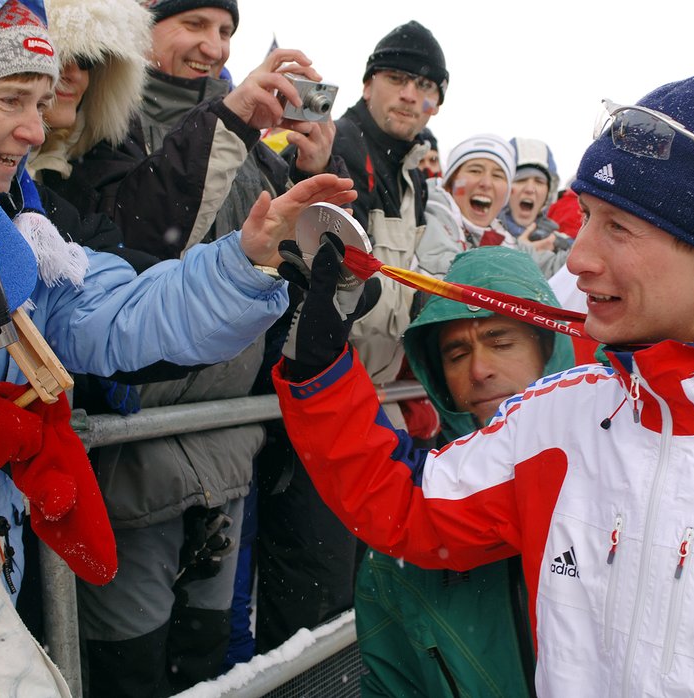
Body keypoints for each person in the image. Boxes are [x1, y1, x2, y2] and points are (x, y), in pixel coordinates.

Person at [272, 65, 694, 696]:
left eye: (618, 228)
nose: (579, 257)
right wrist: (319, 373)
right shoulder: (555, 420)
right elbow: (410, 514)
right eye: (585, 216)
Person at [0, 1, 354, 692]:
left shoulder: (23, 230)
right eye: (10, 97)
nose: (33, 128)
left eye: (40, 102)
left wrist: (246, 259)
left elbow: (122, 311)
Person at [253, 19, 450, 654]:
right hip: (312, 409)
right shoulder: (332, 151)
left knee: (354, 598)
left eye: (427, 86)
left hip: (366, 411)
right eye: (398, 79)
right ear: (367, 84)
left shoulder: (414, 178)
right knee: (313, 605)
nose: (411, 96)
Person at [353, 245, 574, 697]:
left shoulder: (613, 483)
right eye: (456, 354)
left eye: (501, 342)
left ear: (548, 347)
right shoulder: (406, 528)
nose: (478, 370)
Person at [417, 133, 568, 278]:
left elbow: (551, 269)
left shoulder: (501, 238)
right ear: (450, 183)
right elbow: (443, 273)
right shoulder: (431, 213)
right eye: (475, 171)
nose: (486, 183)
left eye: (497, 175)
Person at [499, 137, 572, 256]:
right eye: (521, 180)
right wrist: (521, 253)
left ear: (549, 193)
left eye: (539, 182)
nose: (530, 189)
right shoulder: (476, 234)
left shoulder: (563, 244)